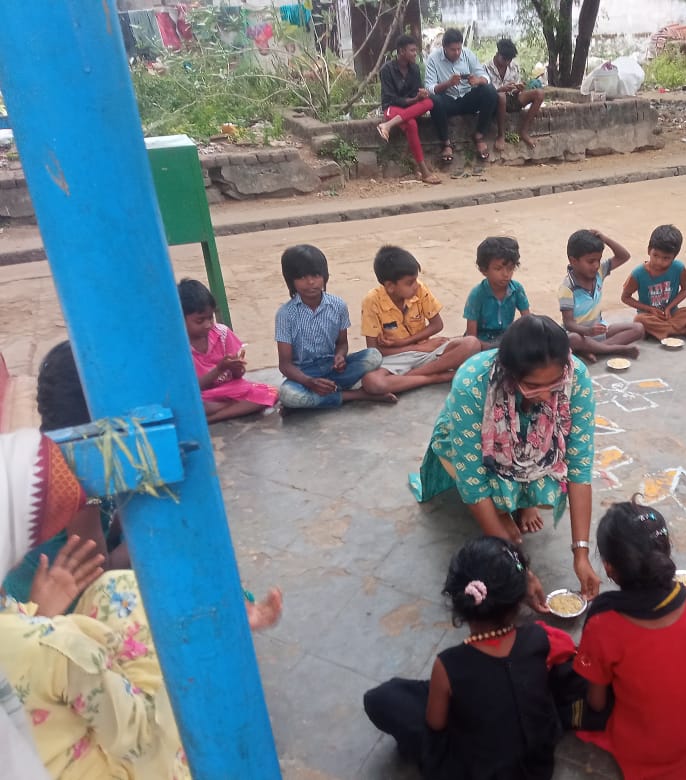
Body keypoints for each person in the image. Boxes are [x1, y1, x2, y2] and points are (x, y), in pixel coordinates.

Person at [0, 427, 282, 780]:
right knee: (155, 627)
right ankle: (210, 631)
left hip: (39, 665)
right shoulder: (58, 649)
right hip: (109, 759)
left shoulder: (27, 622)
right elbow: (138, 738)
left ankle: (212, 619)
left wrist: (41, 615)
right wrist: (142, 536)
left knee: (115, 589)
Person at [409, 315, 599, 604]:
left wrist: (581, 554)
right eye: (533, 385)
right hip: (477, 446)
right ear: (510, 375)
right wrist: (519, 568)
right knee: (486, 490)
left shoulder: (576, 377)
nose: (546, 396)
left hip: (530, 446)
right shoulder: (473, 382)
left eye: (555, 384)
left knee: (551, 485)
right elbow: (473, 482)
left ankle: (521, 503)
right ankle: (501, 512)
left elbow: (580, 467)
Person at [363, 536, 579, 778]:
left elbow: (436, 725)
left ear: (458, 600)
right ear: (519, 600)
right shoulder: (537, 637)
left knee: (381, 699)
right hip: (538, 767)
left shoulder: (448, 665)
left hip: (478, 772)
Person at [574, 499, 686, 779]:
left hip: (640, 747)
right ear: (665, 553)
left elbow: (597, 703)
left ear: (609, 568)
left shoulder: (603, 624)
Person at [2, 341, 130, 606]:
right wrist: (145, 543)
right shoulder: (77, 476)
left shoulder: (52, 447)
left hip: (52, 574)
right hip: (50, 603)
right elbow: (98, 574)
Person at [275, 244, 393, 409]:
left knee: (373, 356)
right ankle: (356, 394)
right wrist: (309, 382)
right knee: (288, 395)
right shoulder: (285, 314)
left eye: (316, 275)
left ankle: (321, 396)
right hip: (304, 374)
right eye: (302, 277)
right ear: (291, 281)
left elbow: (342, 344)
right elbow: (285, 365)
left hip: (333, 369)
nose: (310, 282)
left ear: (325, 276)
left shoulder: (337, 305)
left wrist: (340, 356)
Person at [360, 245, 481, 395]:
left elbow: (437, 324)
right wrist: (417, 348)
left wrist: (407, 343)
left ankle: (409, 378)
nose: (416, 285)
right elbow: (374, 351)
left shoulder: (420, 289)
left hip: (428, 351)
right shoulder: (372, 301)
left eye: (416, 279)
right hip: (396, 357)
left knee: (472, 344)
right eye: (410, 282)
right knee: (372, 382)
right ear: (390, 286)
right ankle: (434, 377)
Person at [179, 278, 278, 423]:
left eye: (210, 318)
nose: (208, 325)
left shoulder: (222, 333)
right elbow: (191, 388)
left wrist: (237, 368)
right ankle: (229, 408)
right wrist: (219, 369)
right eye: (200, 321)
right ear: (180, 319)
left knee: (272, 393)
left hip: (228, 390)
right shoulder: (179, 346)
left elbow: (238, 377)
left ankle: (213, 418)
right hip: (202, 395)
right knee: (187, 404)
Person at [559, 228, 644, 363]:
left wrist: (605, 239)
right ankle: (616, 349)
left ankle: (592, 350)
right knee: (573, 339)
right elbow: (569, 324)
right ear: (573, 261)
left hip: (599, 330)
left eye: (598, 260)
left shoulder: (599, 272)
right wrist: (588, 331)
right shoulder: (567, 287)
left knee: (638, 328)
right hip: (580, 334)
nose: (596, 265)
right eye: (590, 261)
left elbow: (624, 256)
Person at [620, 223, 686, 343]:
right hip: (650, 316)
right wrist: (649, 309)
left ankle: (661, 331)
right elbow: (625, 297)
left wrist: (669, 308)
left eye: (666, 258)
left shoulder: (679, 268)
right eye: (655, 255)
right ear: (649, 250)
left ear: (674, 256)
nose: (659, 262)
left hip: (672, 314)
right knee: (639, 320)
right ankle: (683, 331)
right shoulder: (638, 273)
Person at [424, 27, 498, 163]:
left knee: (490, 91)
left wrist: (478, 80)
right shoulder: (433, 59)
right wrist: (448, 83)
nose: (457, 52)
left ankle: (479, 135)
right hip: (448, 101)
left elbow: (485, 77)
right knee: (433, 100)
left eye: (459, 48)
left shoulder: (468, 54)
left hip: (467, 98)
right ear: (444, 47)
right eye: (453, 50)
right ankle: (446, 143)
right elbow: (429, 88)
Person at [376, 34, 441, 185]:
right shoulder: (387, 70)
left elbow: (416, 93)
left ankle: (387, 125)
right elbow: (390, 98)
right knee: (411, 124)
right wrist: (414, 100)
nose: (415, 53)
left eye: (415, 50)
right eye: (412, 50)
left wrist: (421, 95)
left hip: (409, 109)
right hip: (392, 108)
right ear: (401, 51)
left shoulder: (415, 69)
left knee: (430, 102)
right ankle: (424, 171)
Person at [463, 236, 531, 349]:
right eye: (498, 269)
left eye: (510, 268)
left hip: (506, 339)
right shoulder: (477, 294)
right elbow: (471, 336)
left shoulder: (517, 289)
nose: (506, 274)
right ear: (484, 270)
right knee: (471, 345)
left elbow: (527, 320)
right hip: (482, 341)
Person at [484, 37, 544, 151]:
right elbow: (485, 92)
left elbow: (516, 87)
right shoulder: (486, 68)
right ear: (497, 54)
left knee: (539, 93)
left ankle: (524, 131)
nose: (507, 63)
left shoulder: (514, 66)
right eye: (504, 59)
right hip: (496, 101)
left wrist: (518, 88)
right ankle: (501, 135)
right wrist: (501, 89)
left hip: (512, 98)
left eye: (509, 60)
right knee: (501, 96)